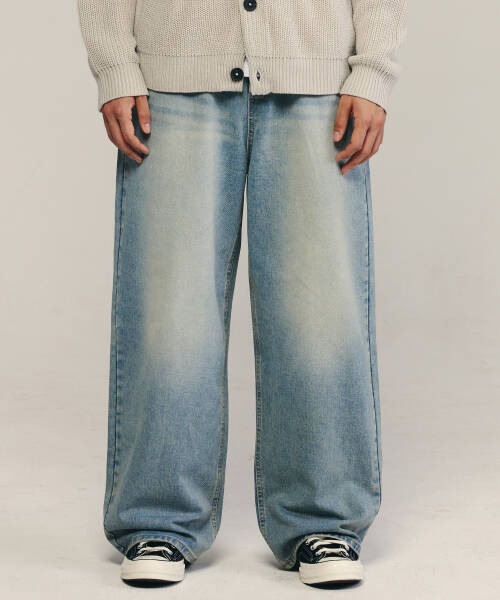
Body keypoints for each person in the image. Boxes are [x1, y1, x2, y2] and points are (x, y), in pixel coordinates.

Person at [77, 0, 407, 587]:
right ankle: (158, 520)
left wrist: (373, 69)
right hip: (171, 77)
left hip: (319, 80)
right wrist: (114, 65)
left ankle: (323, 518)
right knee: (171, 312)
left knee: (319, 311)